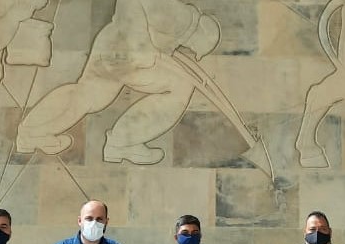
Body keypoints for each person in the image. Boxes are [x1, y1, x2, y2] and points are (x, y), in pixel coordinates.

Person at [16, 0, 220, 163]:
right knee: (180, 87)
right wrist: (140, 46)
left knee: (87, 95)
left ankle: (31, 132)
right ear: (200, 35)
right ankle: (122, 143)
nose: (190, 50)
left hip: (112, 46)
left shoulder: (180, 22)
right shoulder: (180, 17)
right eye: (196, 48)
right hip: (126, 52)